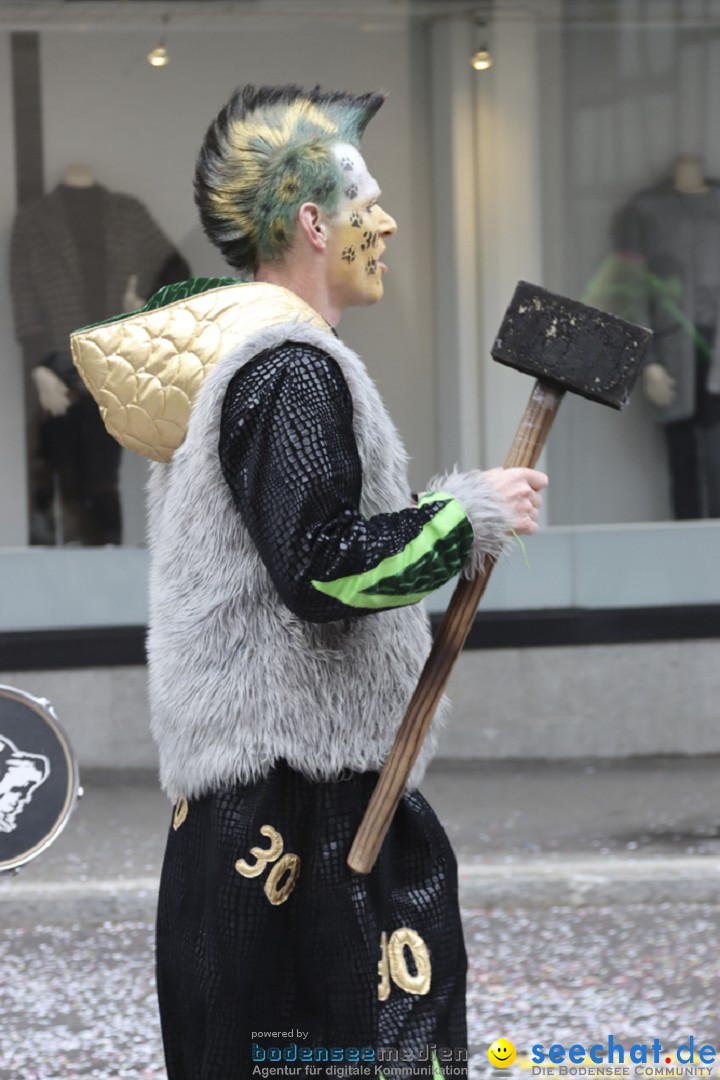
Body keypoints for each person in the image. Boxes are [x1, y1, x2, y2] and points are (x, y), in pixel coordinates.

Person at [119, 85, 547, 1078]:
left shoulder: (249, 363)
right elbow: (318, 569)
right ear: (314, 222)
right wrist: (464, 513)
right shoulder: (292, 371)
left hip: (271, 803)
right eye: (368, 205)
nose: (387, 223)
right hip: (292, 811)